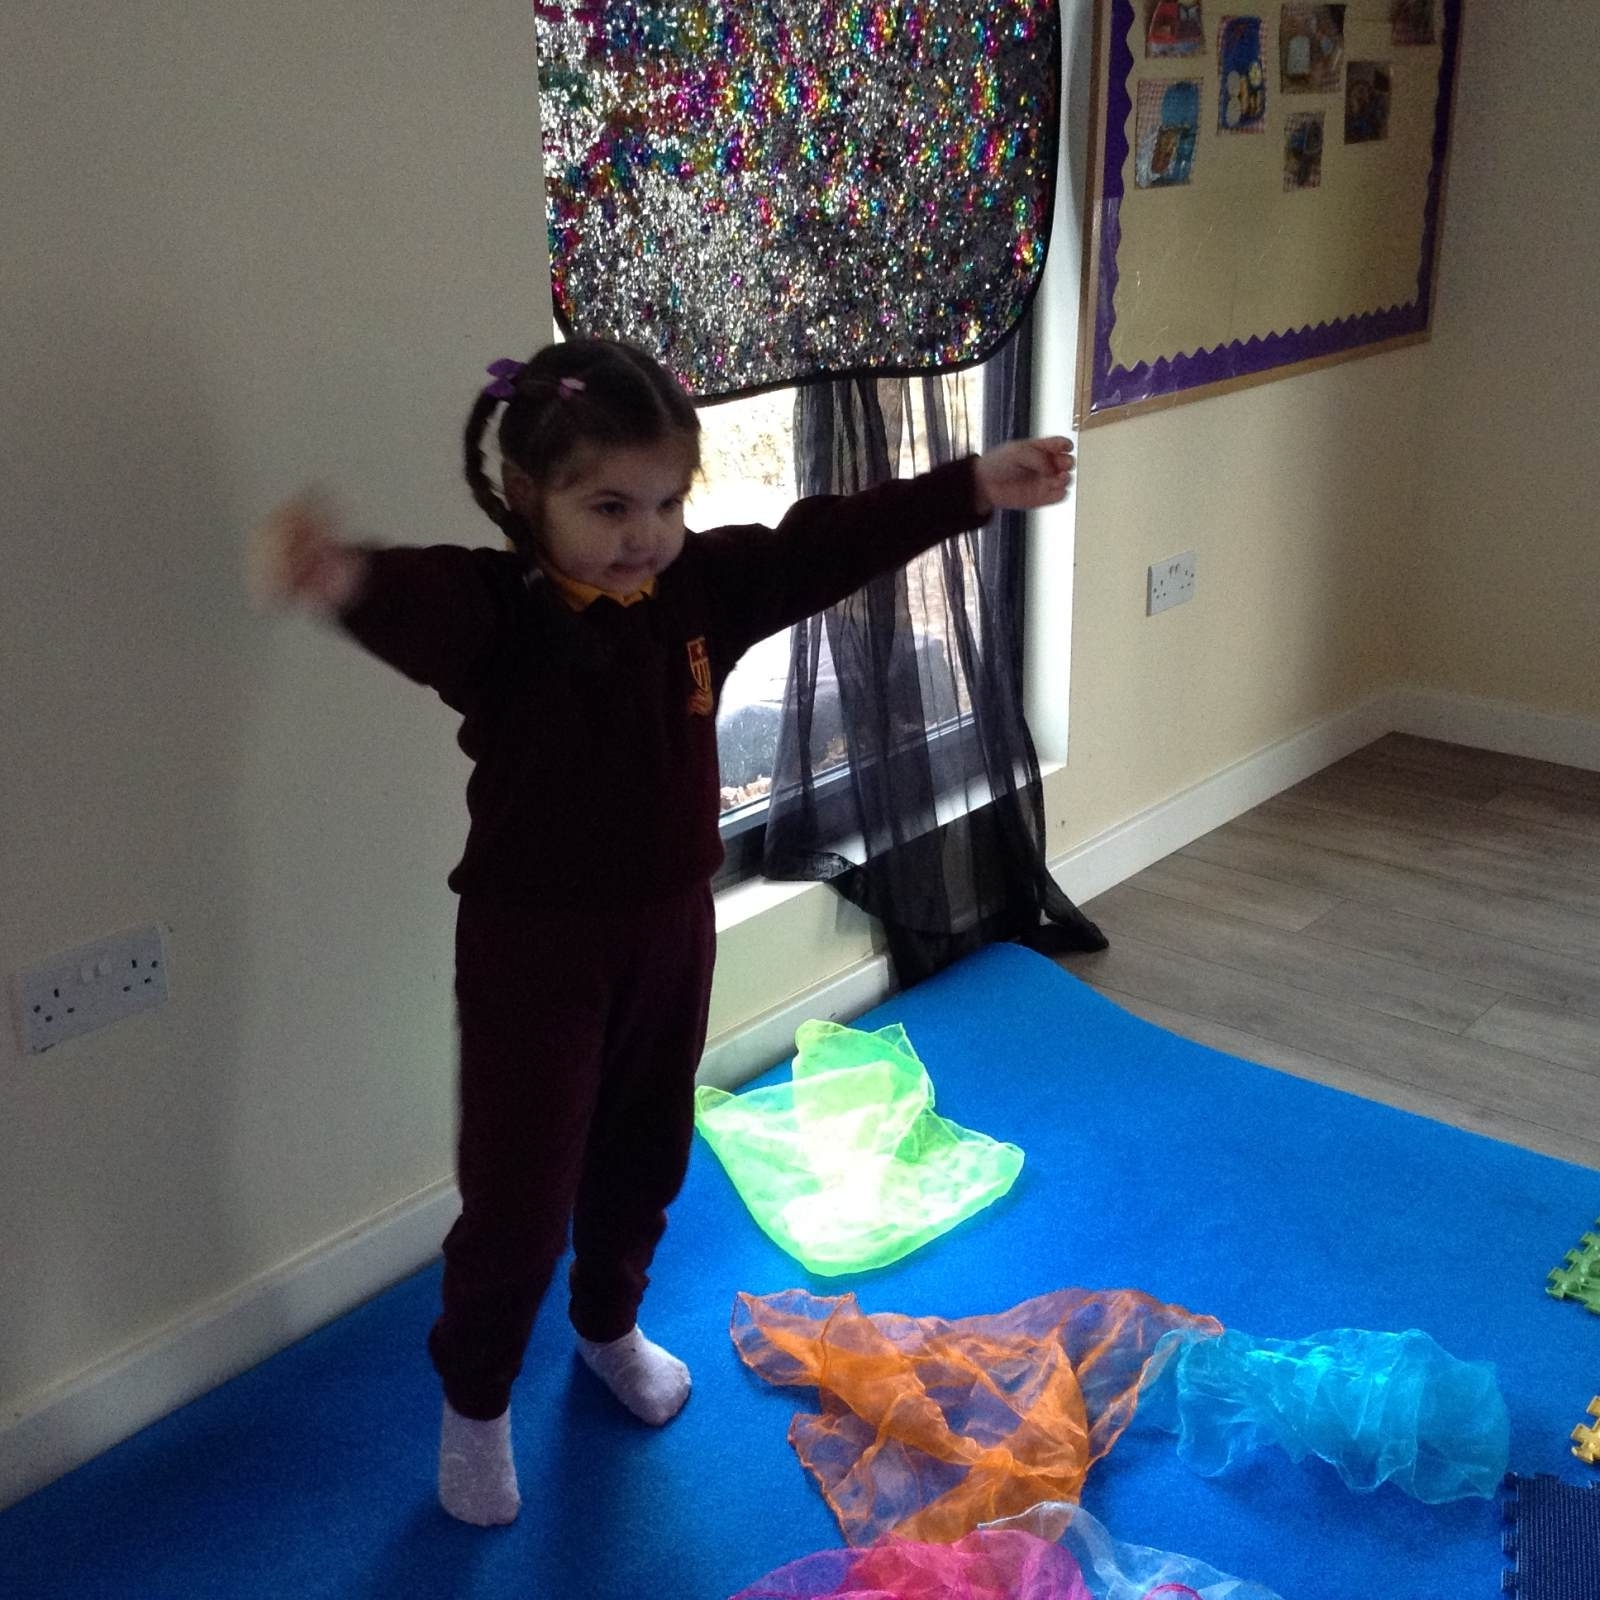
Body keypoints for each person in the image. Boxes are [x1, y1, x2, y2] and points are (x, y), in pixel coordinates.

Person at [250, 336, 1075, 1527]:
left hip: (670, 931)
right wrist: (341, 576)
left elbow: (818, 544)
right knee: (520, 1193)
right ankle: (476, 1399)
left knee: (645, 1151)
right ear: (527, 495)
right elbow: (415, 598)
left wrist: (971, 486)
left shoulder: (697, 592)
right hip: (535, 948)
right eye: (608, 507)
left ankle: (607, 1326)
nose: (645, 534)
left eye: (667, 502)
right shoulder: (499, 614)